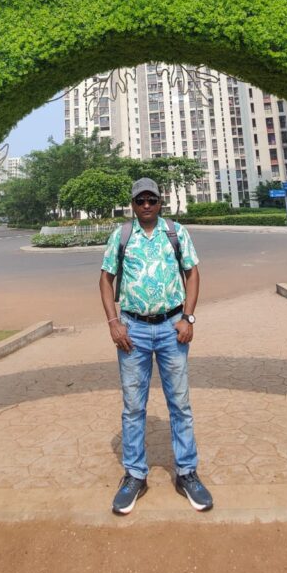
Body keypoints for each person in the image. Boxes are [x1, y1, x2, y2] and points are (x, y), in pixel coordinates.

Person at [99, 177, 213, 515]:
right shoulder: (122, 236)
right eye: (140, 201)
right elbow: (106, 279)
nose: (146, 206)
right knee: (134, 406)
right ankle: (135, 474)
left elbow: (192, 274)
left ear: (160, 202)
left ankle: (186, 472)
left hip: (170, 328)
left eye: (152, 200)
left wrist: (188, 319)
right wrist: (113, 323)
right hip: (132, 329)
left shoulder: (175, 233)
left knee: (180, 403)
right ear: (132, 204)